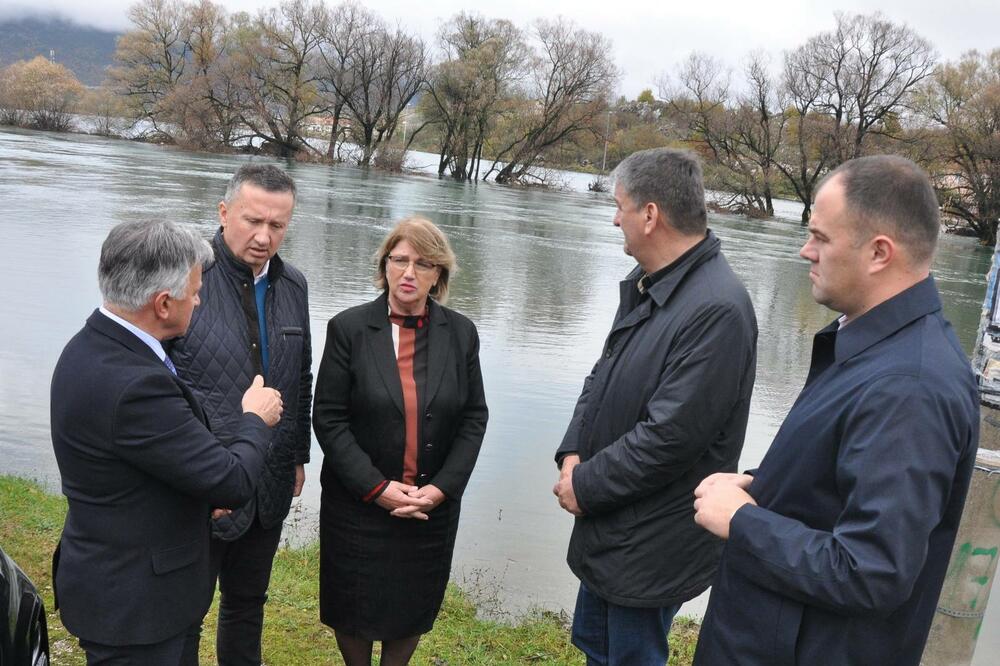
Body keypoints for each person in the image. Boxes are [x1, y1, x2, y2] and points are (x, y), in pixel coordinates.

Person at [692, 155, 979, 665]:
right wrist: (762, 486)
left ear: (878, 253)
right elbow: (845, 480)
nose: (806, 251)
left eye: (821, 238)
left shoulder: (908, 388)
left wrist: (744, 523)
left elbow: (871, 571)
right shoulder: (870, 345)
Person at [553, 148, 758, 666]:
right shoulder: (653, 285)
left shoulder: (717, 310)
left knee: (631, 658)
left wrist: (585, 485)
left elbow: (668, 439)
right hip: (616, 523)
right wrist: (573, 450)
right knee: (599, 652)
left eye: (621, 205)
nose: (614, 216)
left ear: (650, 215)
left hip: (652, 540)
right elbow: (601, 376)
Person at [50, 220, 283, 665]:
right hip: (137, 607)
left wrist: (194, 500)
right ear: (162, 303)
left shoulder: (90, 345)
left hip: (115, 584)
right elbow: (231, 483)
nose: (198, 300)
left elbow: (136, 466)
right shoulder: (135, 385)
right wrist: (255, 417)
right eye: (194, 292)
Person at [313, 217, 488, 666]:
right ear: (385, 265)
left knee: (411, 607)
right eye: (400, 260)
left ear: (439, 274)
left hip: (428, 509)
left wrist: (442, 489)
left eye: (423, 263)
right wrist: (377, 489)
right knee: (351, 608)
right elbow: (329, 419)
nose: (409, 273)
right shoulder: (348, 329)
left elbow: (473, 417)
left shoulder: (461, 333)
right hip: (359, 504)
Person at [168, 164, 312, 665]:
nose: (263, 236)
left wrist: (297, 455)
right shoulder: (187, 280)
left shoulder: (294, 285)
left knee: (248, 603)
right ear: (224, 212)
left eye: (277, 225)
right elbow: (161, 383)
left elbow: (301, 376)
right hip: (202, 481)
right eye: (253, 221)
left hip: (268, 477)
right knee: (185, 610)